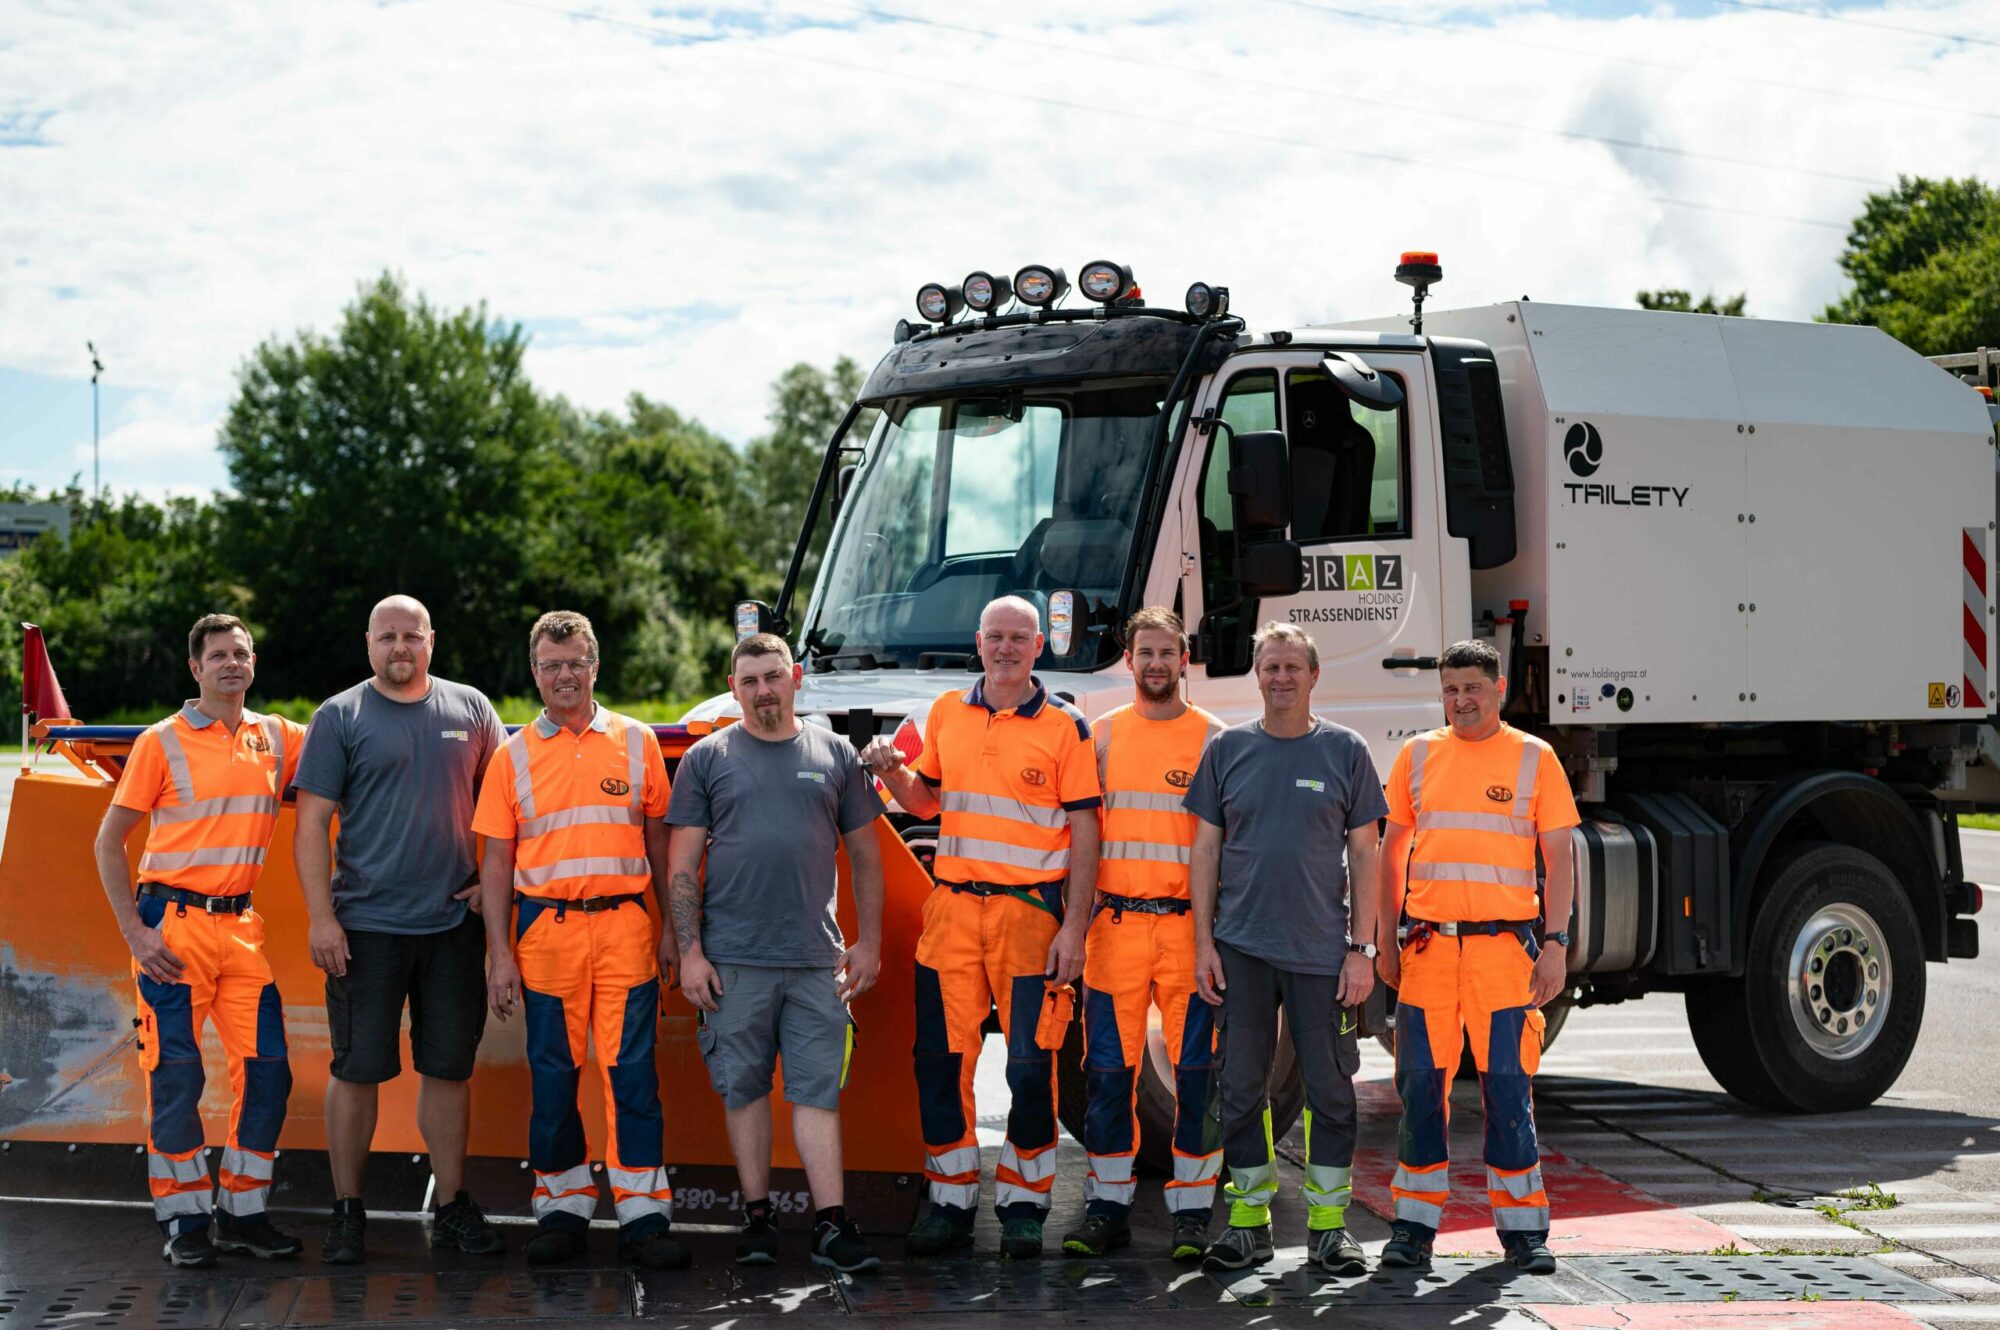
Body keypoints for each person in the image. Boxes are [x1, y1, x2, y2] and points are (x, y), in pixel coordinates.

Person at [860, 595, 1100, 1261]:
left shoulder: (1066, 727)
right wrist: (891, 771)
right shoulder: (945, 713)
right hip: (954, 913)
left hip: (1030, 917)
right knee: (940, 1064)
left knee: (1028, 1067)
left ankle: (1024, 1207)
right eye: (995, 636)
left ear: (1038, 647)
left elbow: (1086, 833)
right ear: (978, 640)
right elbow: (925, 801)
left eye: (1018, 638)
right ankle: (950, 1201)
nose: (1005, 648)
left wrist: (1074, 928)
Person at [293, 594, 507, 1264]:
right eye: (387, 637)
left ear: (431, 641)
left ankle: (451, 1207)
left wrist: (491, 885)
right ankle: (348, 1210)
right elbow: (309, 826)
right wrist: (321, 918)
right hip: (365, 929)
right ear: (368, 644)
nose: (399, 648)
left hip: (452, 927)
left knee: (447, 1070)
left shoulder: (471, 709)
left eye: (411, 636)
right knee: (358, 1070)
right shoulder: (340, 716)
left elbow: (507, 810)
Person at [666, 633, 887, 1274]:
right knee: (745, 1091)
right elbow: (682, 867)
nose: (762, 690)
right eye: (749, 681)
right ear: (734, 688)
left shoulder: (835, 753)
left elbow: (868, 858)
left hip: (818, 961)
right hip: (733, 962)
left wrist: (868, 941)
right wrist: (691, 954)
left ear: (794, 677)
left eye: (772, 677)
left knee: (817, 1093)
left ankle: (830, 1225)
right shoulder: (707, 758)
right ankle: (757, 1219)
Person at [474, 611, 687, 1270]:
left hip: (626, 928)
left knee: (632, 1078)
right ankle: (562, 1209)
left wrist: (675, 932)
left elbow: (661, 841)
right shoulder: (510, 755)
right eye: (550, 665)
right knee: (554, 1078)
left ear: (595, 666)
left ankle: (643, 1215)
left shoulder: (636, 740)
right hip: (545, 936)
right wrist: (499, 954)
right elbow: (495, 862)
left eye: (574, 663)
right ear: (534, 672)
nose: (563, 675)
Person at [92, 615, 306, 1268]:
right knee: (178, 1077)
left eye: (241, 653)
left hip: (242, 932)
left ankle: (243, 1212)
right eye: (218, 655)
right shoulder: (162, 742)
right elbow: (108, 841)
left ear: (253, 662)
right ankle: (185, 1221)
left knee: (270, 1072)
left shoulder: (276, 736)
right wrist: (134, 930)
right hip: (171, 930)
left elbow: (353, 738)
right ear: (196, 668)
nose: (231, 664)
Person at [1186, 622, 1385, 1275]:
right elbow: (1206, 849)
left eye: (1292, 667)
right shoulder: (1228, 749)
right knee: (1241, 1088)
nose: (1280, 678)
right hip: (1241, 948)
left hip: (1322, 953)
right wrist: (1203, 943)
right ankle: (1249, 1224)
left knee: (1331, 1090)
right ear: (1258, 673)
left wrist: (1364, 950)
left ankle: (1329, 1229)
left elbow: (1365, 852)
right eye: (1270, 666)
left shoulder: (1346, 751)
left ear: (1313, 675)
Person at [1377, 638, 1579, 1274]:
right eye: (1449, 690)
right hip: (1429, 949)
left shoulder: (1534, 758)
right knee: (1419, 1089)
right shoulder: (1416, 755)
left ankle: (1523, 1232)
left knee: (1508, 1088)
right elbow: (1390, 853)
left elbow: (1560, 857)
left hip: (1503, 953)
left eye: (1471, 688)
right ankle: (1412, 1227)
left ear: (1498, 690)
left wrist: (1557, 944)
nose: (1460, 700)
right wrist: (1384, 940)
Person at [1062, 608, 1225, 1262]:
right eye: (1145, 653)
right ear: (1128, 661)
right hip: (1115, 933)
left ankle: (1191, 1215)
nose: (1156, 664)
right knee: (1106, 1074)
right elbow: (1077, 838)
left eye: (1168, 652)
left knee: (1196, 1076)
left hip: (1187, 935)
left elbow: (1227, 847)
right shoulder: (1100, 738)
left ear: (1185, 659)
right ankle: (1107, 1209)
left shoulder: (1216, 740)